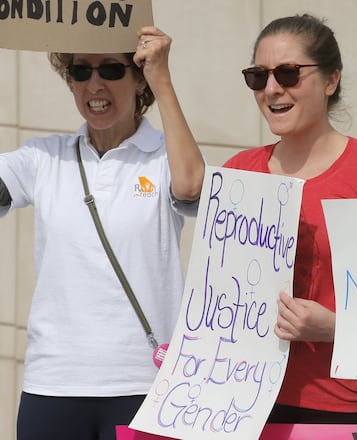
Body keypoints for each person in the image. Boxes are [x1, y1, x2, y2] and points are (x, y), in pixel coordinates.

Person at [0, 27, 205, 440]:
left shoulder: (167, 156)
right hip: (53, 386)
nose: (94, 84)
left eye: (112, 69)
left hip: (145, 387)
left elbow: (192, 187)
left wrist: (163, 78)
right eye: (80, 71)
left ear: (138, 76)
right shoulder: (44, 158)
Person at [222, 14, 357, 429]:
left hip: (337, 410)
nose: (272, 88)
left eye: (288, 73)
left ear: (331, 81)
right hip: (238, 403)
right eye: (258, 76)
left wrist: (334, 327)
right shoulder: (239, 172)